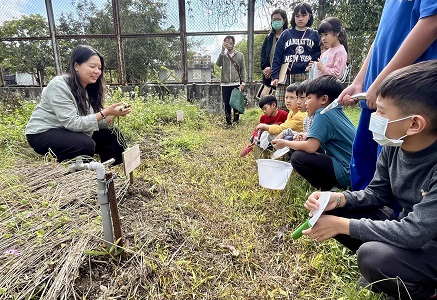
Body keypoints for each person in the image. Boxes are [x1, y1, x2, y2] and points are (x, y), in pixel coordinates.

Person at [302, 61, 437, 299]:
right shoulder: (395, 144)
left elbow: (415, 232)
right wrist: (337, 198)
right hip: (412, 232)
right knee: (337, 211)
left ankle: (424, 290)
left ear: (414, 123)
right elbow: (376, 194)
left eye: (382, 112)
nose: (374, 116)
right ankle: (393, 272)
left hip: (429, 242)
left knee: (372, 256)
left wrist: (339, 226)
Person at [338, 1, 437, 191]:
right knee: (365, 164)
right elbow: (380, 37)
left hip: (406, 95)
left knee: (398, 176)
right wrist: (360, 80)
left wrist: (382, 82)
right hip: (375, 93)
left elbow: (431, 22)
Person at [25, 45, 131, 165]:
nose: (97, 71)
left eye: (99, 68)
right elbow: (73, 123)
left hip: (67, 129)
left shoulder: (88, 88)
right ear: (76, 66)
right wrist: (104, 113)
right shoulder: (59, 85)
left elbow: (90, 121)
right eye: (92, 66)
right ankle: (76, 173)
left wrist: (112, 114)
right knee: (84, 144)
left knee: (112, 133)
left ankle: (112, 174)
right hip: (44, 132)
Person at [272, 75, 355, 191]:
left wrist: (285, 143)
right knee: (298, 146)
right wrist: (306, 135)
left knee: (298, 157)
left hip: (347, 172)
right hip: (354, 168)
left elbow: (311, 147)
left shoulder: (322, 114)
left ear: (323, 99)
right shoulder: (334, 110)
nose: (306, 102)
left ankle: (329, 188)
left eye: (309, 98)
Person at [270, 2, 320, 112]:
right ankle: (281, 128)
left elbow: (319, 53)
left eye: (303, 15)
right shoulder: (286, 34)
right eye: (297, 16)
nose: (300, 19)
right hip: (285, 75)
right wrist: (275, 76)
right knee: (282, 106)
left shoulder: (314, 34)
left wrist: (315, 62)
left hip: (305, 75)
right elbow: (277, 56)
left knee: (304, 106)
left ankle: (302, 128)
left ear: (309, 16)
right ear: (293, 17)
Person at [256, 83, 307, 148]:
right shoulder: (291, 112)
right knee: (267, 134)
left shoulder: (300, 115)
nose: (288, 101)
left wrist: (265, 126)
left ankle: (273, 149)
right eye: (286, 97)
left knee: (277, 136)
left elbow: (281, 128)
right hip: (291, 135)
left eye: (292, 98)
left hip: (298, 140)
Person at [260, 9, 288, 110]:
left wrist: (274, 68)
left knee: (282, 103)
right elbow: (263, 56)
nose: (276, 21)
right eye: (274, 19)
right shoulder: (268, 38)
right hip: (269, 75)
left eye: (278, 19)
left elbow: (288, 57)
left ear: (284, 21)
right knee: (266, 101)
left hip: (284, 74)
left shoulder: (288, 36)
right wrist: (266, 68)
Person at [216, 35, 246, 127]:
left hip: (236, 82)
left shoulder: (240, 55)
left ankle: (236, 121)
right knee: (227, 103)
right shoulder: (223, 56)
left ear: (233, 43)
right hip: (225, 83)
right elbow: (218, 64)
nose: (229, 44)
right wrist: (222, 50)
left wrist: (243, 82)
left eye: (230, 42)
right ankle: (228, 122)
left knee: (236, 103)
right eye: (227, 42)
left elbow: (243, 69)